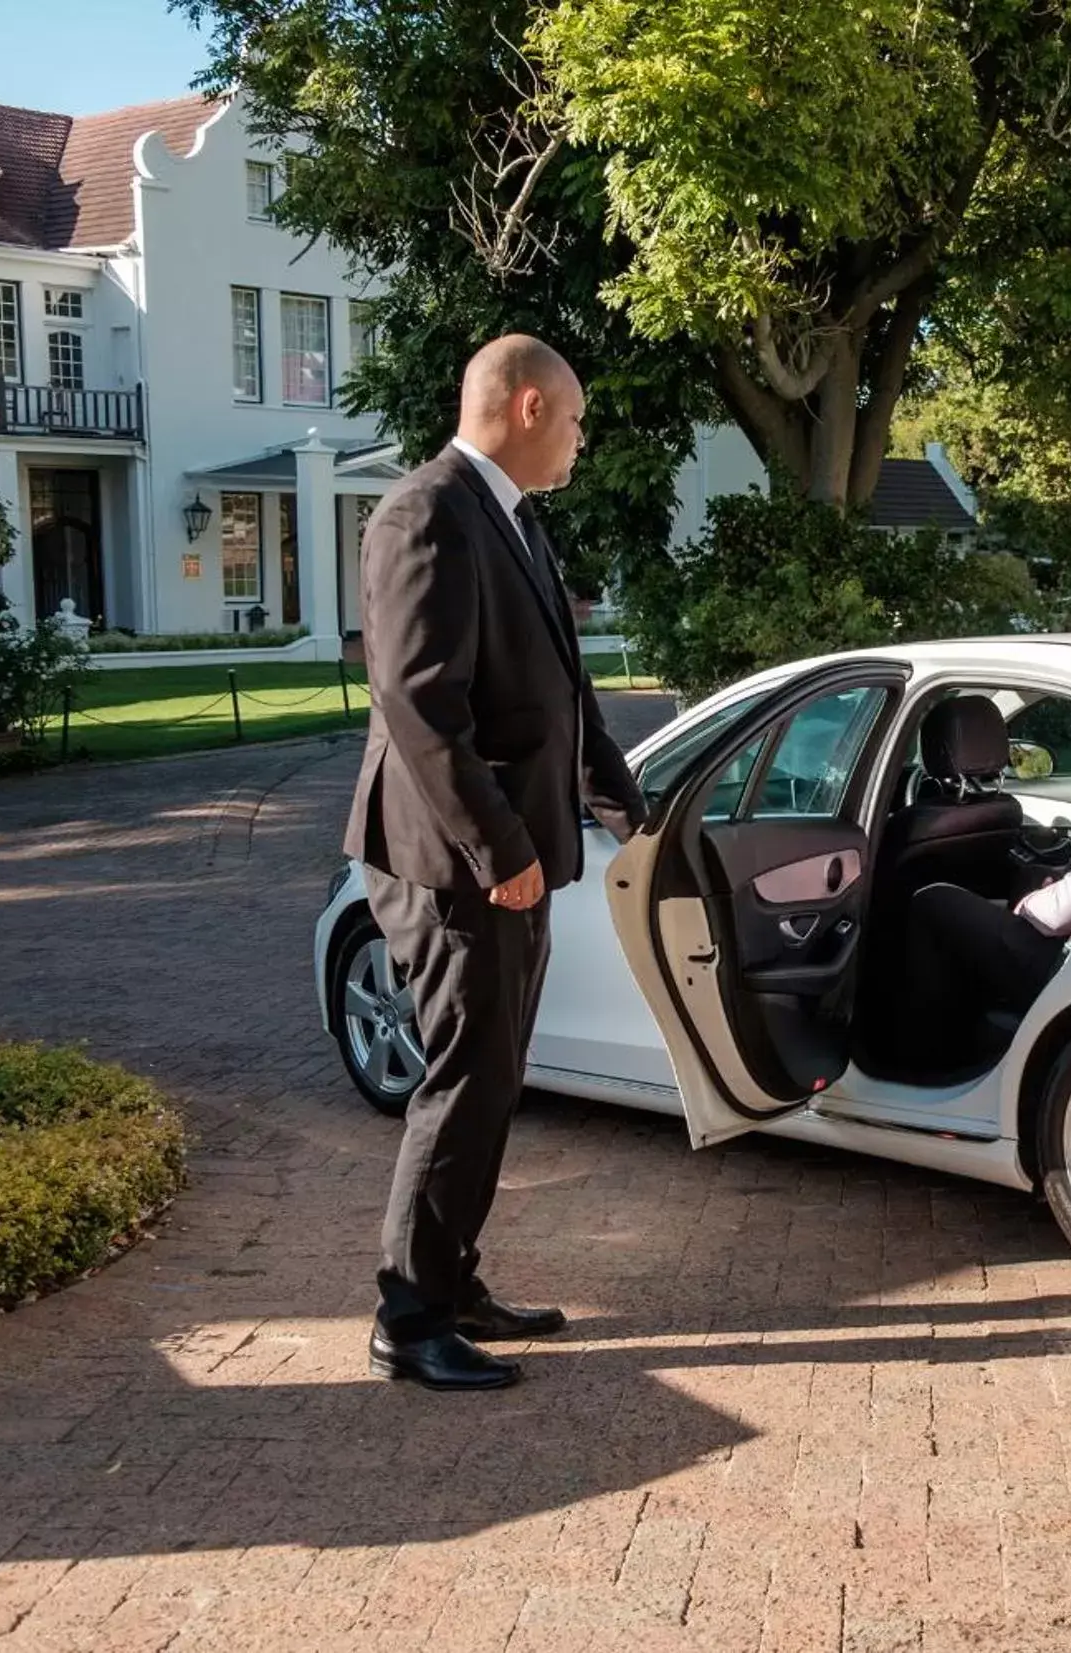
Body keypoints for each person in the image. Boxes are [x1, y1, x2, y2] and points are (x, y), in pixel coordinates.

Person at [342, 333, 642, 1392]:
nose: (579, 438)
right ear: (524, 407)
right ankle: (408, 1319)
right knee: (464, 1081)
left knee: (494, 1078)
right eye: (573, 418)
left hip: (508, 856)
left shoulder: (514, 521)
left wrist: (626, 808)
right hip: (451, 860)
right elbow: (421, 707)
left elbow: (563, 691)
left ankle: (452, 1282)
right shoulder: (423, 514)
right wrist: (499, 850)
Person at [906, 741, 1071, 1035]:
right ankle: (1003, 1003)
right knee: (1032, 874)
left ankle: (923, 1044)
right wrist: (1053, 884)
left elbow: (1059, 915)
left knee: (933, 902)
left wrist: (1032, 903)